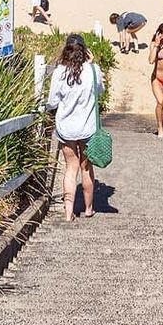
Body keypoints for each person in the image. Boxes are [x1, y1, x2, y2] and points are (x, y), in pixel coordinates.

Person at [46, 34, 103, 221]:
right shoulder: (93, 70)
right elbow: (99, 91)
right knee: (86, 168)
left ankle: (68, 213)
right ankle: (88, 208)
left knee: (70, 168)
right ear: (85, 51)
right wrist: (92, 63)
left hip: (67, 127)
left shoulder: (60, 72)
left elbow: (52, 102)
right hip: (87, 127)